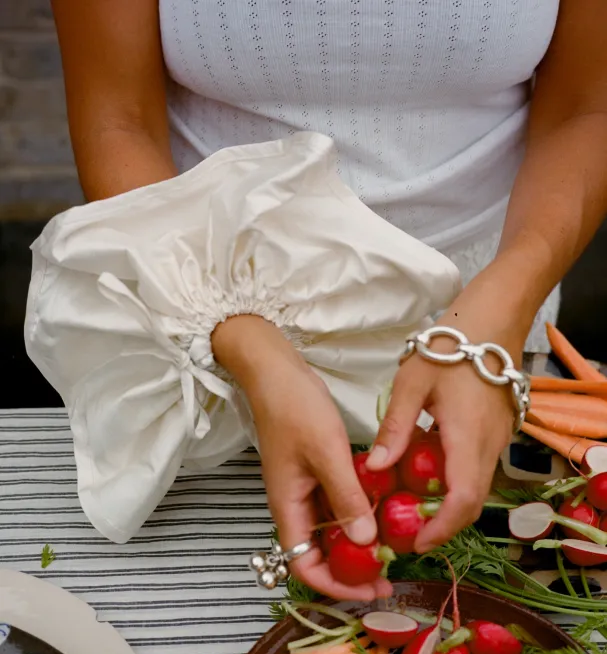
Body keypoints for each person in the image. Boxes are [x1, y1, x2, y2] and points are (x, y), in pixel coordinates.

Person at [39, 1, 607, 602]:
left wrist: (505, 301)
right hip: (207, 345)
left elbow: (584, 106)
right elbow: (118, 119)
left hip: (489, 328)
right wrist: (239, 336)